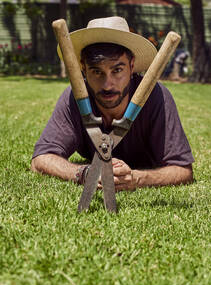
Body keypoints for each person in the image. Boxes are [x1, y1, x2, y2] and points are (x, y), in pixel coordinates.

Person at [31, 16, 194, 191]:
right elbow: (40, 159)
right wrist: (84, 173)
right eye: (96, 71)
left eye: (117, 70)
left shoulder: (156, 97)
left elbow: (183, 171)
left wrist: (137, 179)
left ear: (132, 66)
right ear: (83, 69)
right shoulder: (75, 98)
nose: (108, 85)